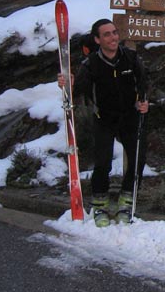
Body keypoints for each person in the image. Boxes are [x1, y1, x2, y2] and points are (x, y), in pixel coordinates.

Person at [58, 18, 149, 227]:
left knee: (137, 160)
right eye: (107, 34)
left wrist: (144, 102)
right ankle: (100, 205)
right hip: (104, 119)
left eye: (114, 32)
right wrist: (66, 83)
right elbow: (76, 91)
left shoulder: (131, 58)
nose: (113, 37)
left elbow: (143, 82)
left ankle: (127, 202)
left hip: (131, 117)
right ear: (98, 40)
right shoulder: (91, 64)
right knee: (103, 163)